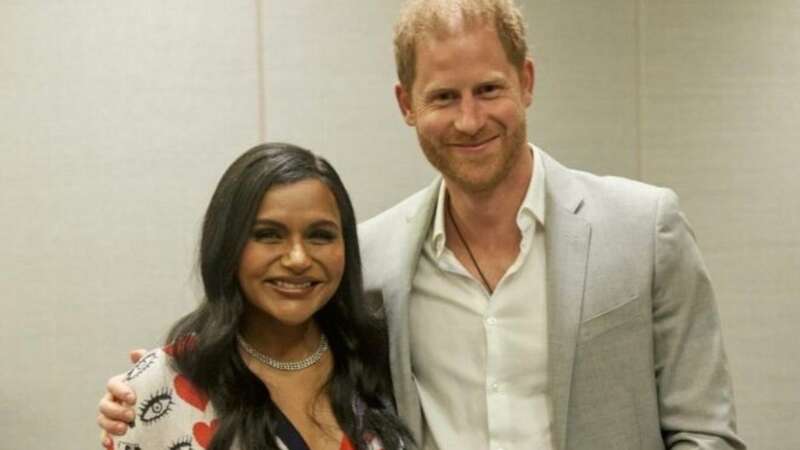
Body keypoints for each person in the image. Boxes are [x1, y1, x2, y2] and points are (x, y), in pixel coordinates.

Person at [99, 1, 746, 449]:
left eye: (488, 89)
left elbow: (705, 431)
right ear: (407, 104)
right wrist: (158, 385)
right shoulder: (371, 257)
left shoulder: (643, 228)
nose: (469, 121)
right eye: (443, 97)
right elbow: (269, 333)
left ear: (526, 81)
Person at [101, 142, 410, 450]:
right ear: (228, 244)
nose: (298, 258)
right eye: (268, 235)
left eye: (320, 235)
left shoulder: (380, 360)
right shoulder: (164, 385)